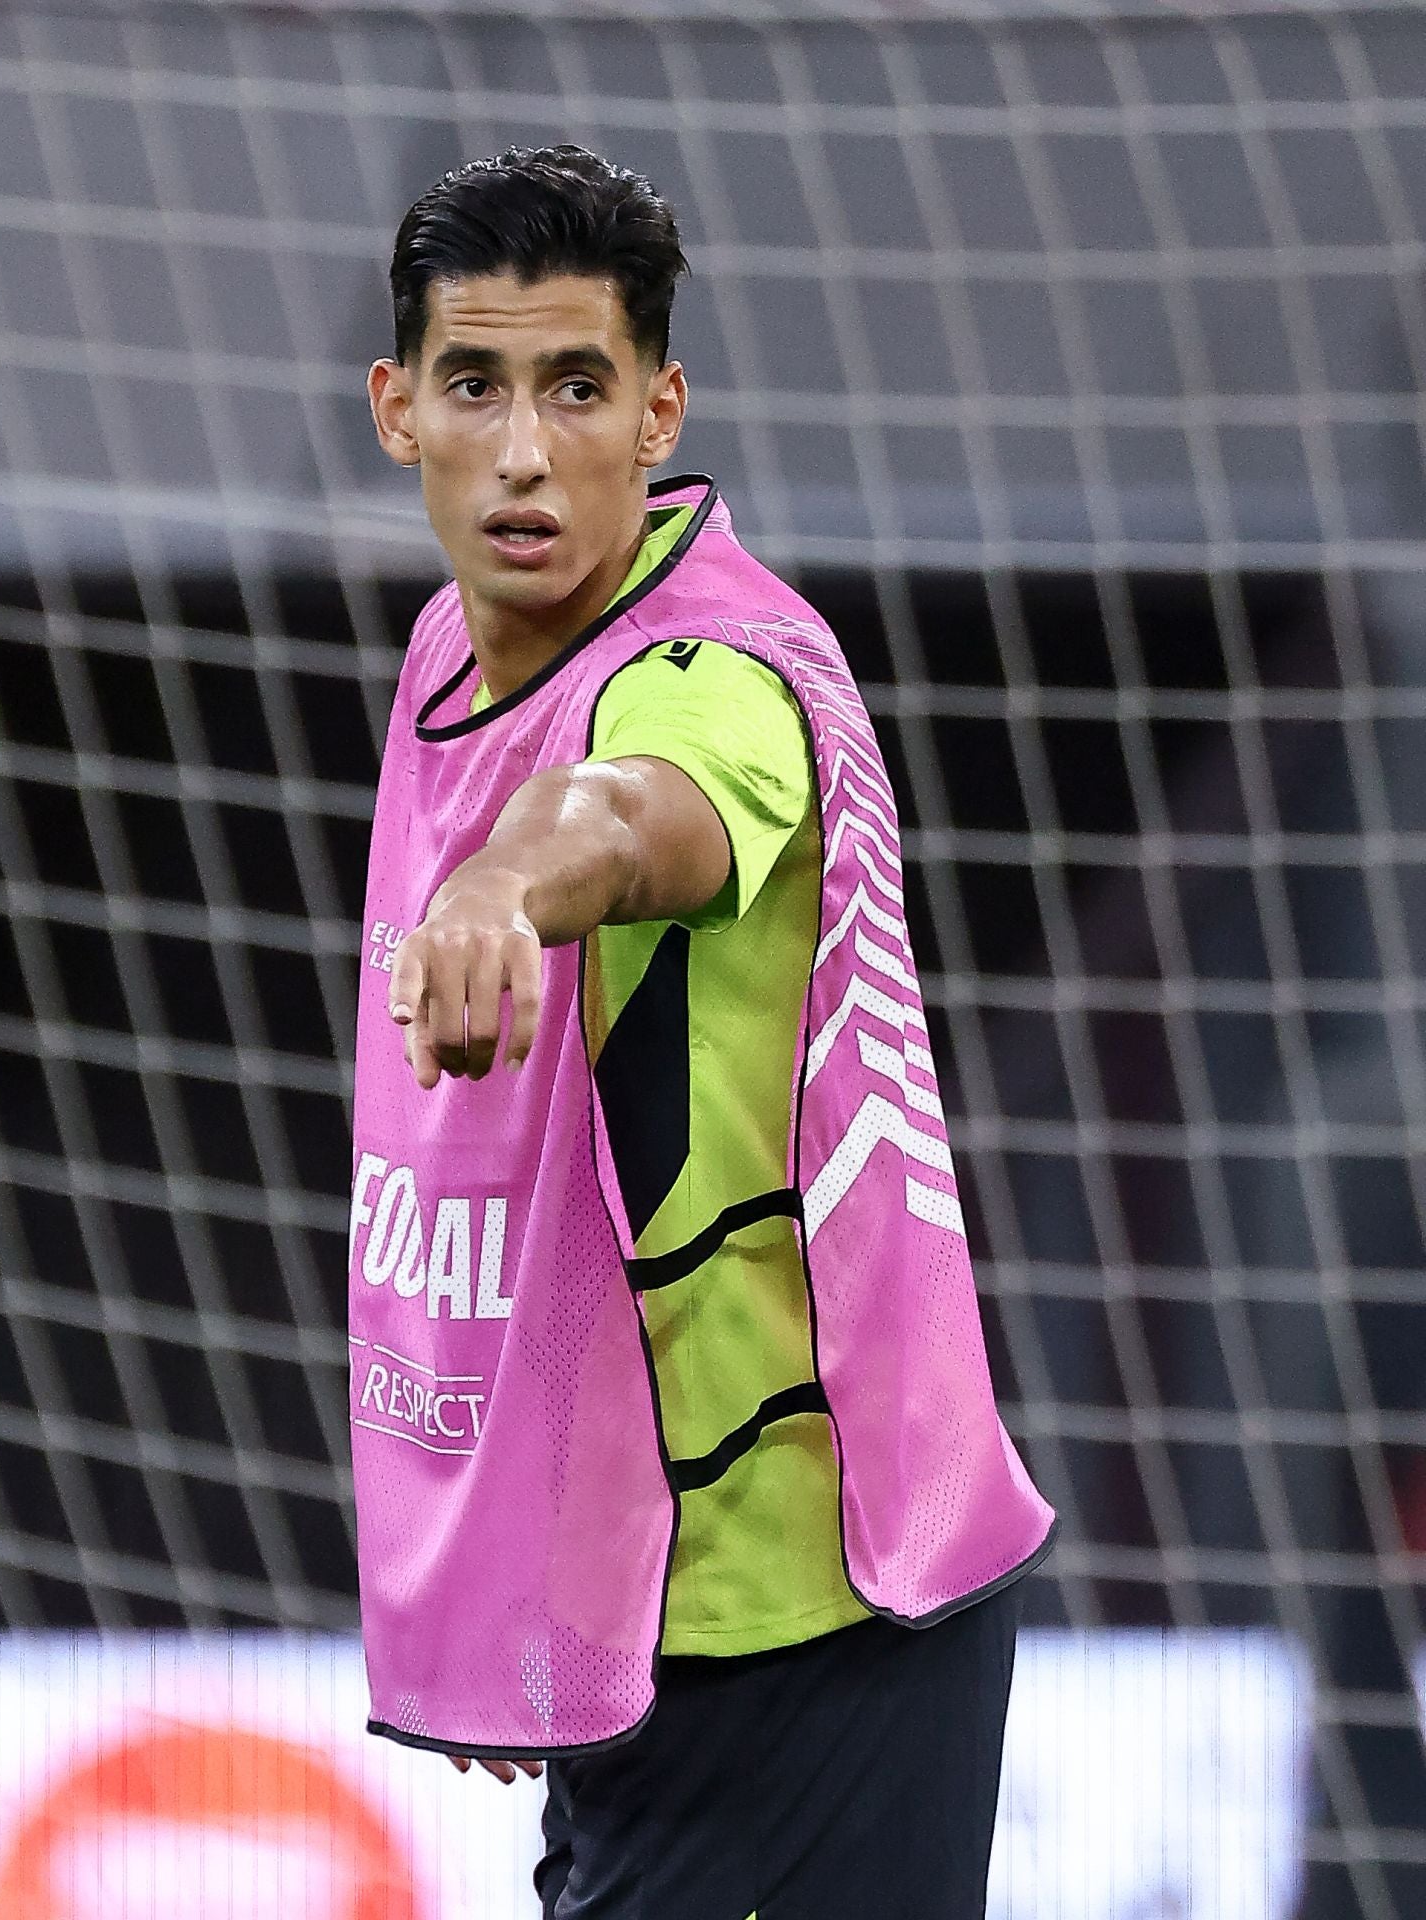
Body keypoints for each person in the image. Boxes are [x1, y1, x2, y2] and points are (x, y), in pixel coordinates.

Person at [350, 144, 1056, 1920]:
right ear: (395, 411)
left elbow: (621, 814)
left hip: (812, 1633)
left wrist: (504, 896)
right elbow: (495, 1216)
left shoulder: (723, 672)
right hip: (648, 1644)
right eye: (476, 386)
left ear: (660, 410)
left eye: (578, 388)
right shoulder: (454, 653)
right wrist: (500, 1590)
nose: (525, 450)